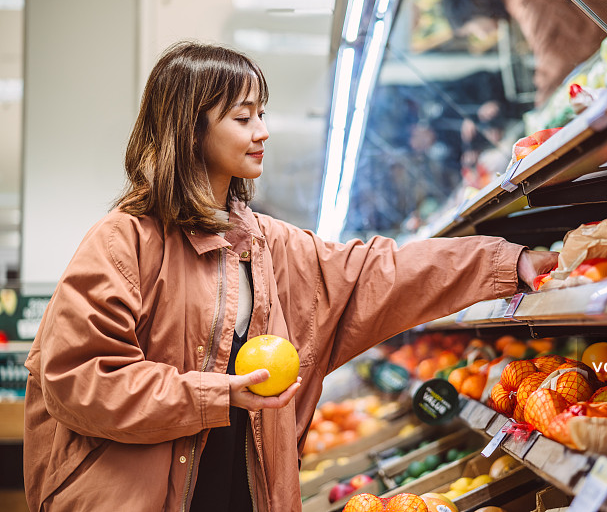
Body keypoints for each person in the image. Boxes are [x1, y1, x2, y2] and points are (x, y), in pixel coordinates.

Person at [22, 41, 558, 511]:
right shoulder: (123, 242)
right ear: (191, 128)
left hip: (244, 488)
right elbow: (81, 378)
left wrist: (507, 263)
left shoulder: (264, 242)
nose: (264, 131)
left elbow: (374, 273)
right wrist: (217, 395)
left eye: (262, 114)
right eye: (243, 117)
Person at [442, 0, 607, 106]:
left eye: (472, 29)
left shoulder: (527, 0)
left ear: (474, 10)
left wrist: (541, 107)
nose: (480, 36)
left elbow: (560, 59)